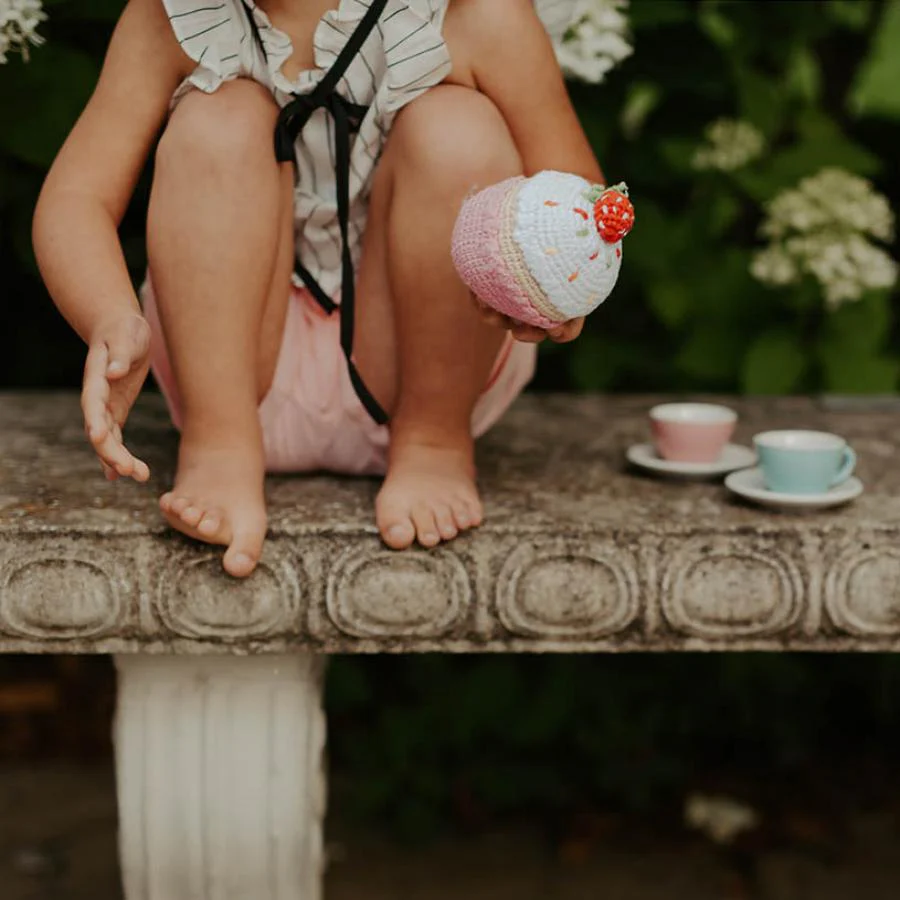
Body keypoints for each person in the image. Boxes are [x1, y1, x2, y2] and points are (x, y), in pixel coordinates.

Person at [33, 0, 603, 577]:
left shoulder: (477, 14)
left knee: (458, 127)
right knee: (217, 119)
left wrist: (558, 277)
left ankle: (435, 445)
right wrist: (110, 316)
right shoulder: (171, 15)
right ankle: (218, 447)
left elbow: (581, 197)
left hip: (419, 363)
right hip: (234, 370)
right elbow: (75, 198)